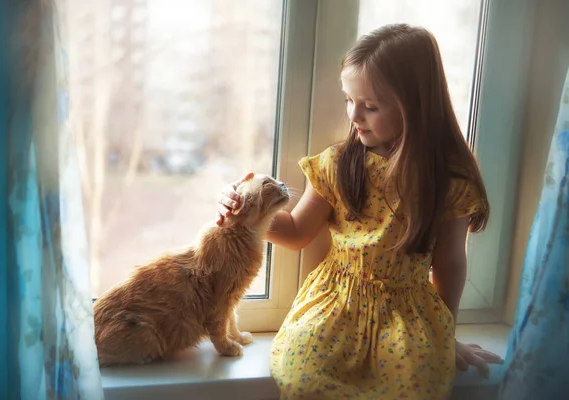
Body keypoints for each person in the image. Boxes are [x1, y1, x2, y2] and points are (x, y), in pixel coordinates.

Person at [215, 23, 503, 399]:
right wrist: (244, 210)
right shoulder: (340, 164)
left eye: (370, 106)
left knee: (415, 387)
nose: (354, 115)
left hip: (407, 319)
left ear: (415, 106)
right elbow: (297, 231)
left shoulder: (447, 182)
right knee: (303, 379)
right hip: (334, 307)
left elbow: (450, 264)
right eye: (349, 100)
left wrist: (444, 334)